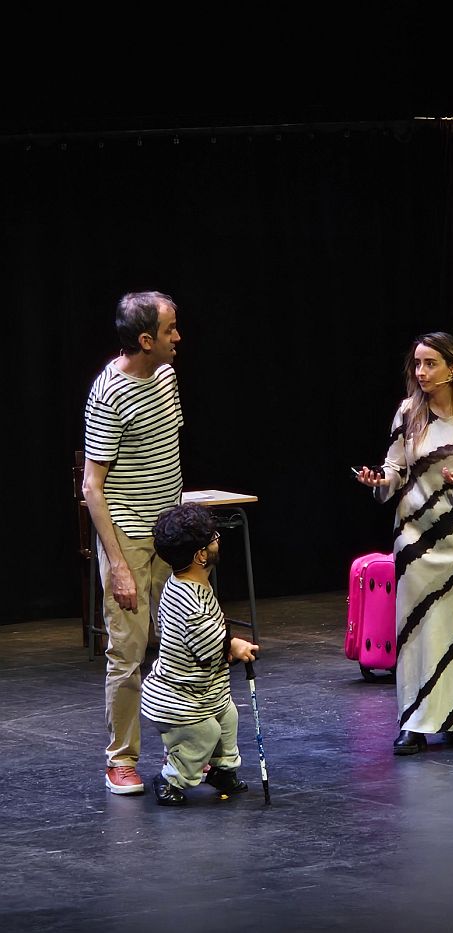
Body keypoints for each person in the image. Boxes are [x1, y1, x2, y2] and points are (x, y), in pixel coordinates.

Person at [355, 331, 453, 755]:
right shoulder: (408, 413)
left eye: (430, 364)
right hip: (416, 539)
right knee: (416, 630)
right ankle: (414, 723)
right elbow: (394, 469)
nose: (421, 372)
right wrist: (379, 481)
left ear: (452, 368)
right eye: (417, 364)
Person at [82, 290, 184, 794]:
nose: (178, 337)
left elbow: (167, 454)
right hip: (128, 534)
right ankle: (120, 759)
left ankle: (186, 750)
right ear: (146, 340)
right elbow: (92, 486)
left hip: (171, 533)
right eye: (169, 330)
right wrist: (118, 564)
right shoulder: (109, 393)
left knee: (182, 641)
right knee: (128, 650)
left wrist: (186, 528)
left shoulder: (166, 377)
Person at [142, 502, 259, 806]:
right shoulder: (188, 598)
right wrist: (234, 646)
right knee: (205, 732)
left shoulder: (192, 584)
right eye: (213, 538)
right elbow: (207, 644)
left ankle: (222, 771)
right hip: (178, 697)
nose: (218, 540)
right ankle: (171, 779)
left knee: (227, 715)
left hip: (203, 690)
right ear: (200, 555)